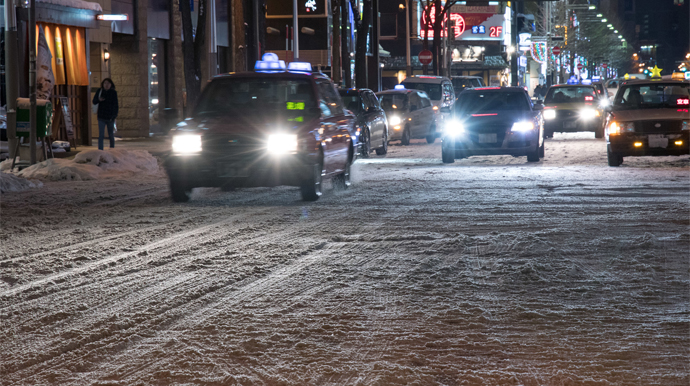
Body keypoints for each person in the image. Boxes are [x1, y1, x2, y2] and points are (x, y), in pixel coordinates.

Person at [92, 78, 119, 150]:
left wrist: (114, 115)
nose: (106, 85)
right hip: (101, 116)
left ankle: (112, 149)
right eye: (105, 83)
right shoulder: (100, 91)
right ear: (103, 84)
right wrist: (99, 100)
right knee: (101, 135)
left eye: (108, 83)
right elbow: (94, 101)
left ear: (111, 84)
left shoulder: (113, 93)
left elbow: (116, 105)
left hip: (110, 117)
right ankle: (100, 150)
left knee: (111, 135)